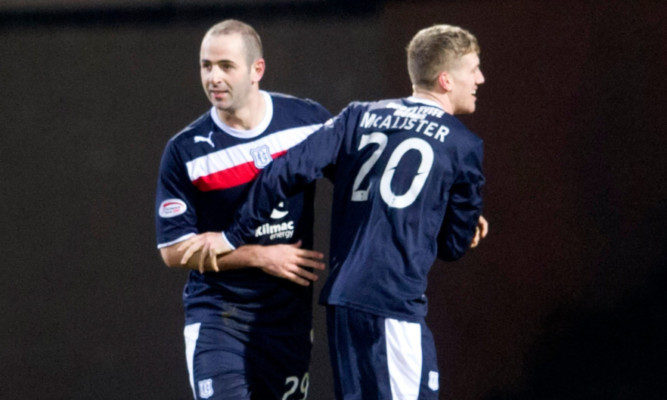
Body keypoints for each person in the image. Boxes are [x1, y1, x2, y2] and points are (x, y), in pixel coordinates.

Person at [196, 23, 489, 399]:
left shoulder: (357, 116)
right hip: (394, 302)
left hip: (342, 303)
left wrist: (232, 234)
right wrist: (453, 219)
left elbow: (286, 168)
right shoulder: (464, 144)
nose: (480, 78)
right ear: (446, 80)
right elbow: (453, 245)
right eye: (473, 69)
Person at [154, 19, 331, 400]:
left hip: (288, 318)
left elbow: (361, 178)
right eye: (206, 65)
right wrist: (257, 256)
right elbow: (172, 251)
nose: (213, 77)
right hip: (219, 316)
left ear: (257, 70)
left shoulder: (307, 121)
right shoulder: (186, 150)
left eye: (226, 66)